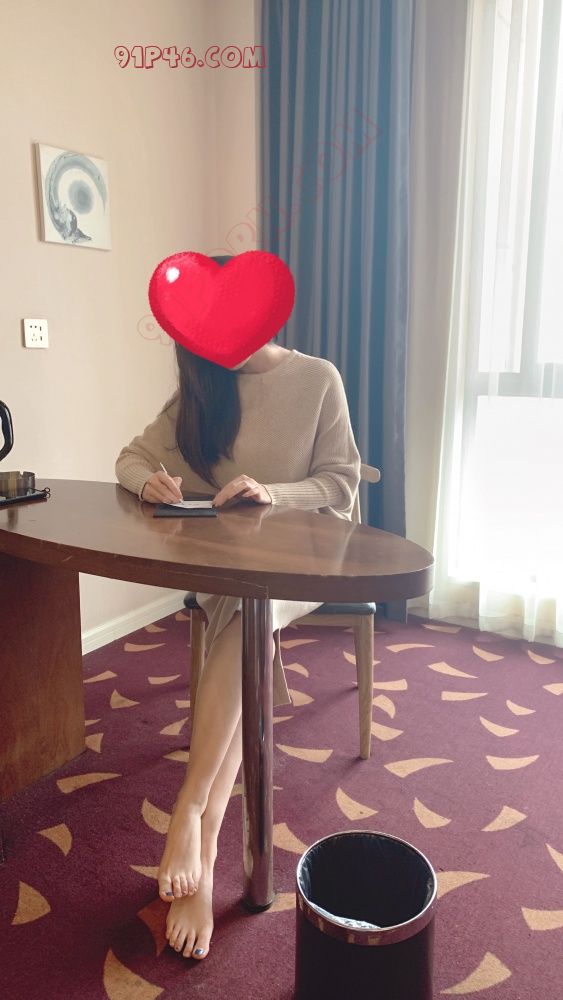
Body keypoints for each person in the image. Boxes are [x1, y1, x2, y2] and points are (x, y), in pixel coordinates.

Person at [114, 258, 361, 961]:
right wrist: (152, 482)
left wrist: (273, 494)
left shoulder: (316, 379)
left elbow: (341, 483)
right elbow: (130, 456)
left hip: (306, 553)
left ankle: (193, 809)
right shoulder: (201, 385)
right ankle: (207, 829)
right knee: (240, 609)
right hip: (232, 564)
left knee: (247, 605)